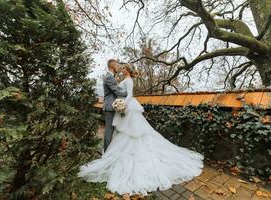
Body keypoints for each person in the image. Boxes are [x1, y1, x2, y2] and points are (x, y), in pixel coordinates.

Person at [78, 64, 204, 196]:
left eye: (124, 68)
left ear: (128, 70)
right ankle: (116, 153)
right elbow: (118, 92)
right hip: (124, 109)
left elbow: (130, 94)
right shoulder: (123, 79)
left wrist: (124, 104)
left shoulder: (129, 81)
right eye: (121, 68)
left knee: (132, 133)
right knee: (123, 133)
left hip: (128, 108)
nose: (122, 69)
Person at [102, 59, 127, 152]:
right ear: (112, 66)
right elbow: (116, 91)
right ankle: (106, 152)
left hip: (110, 106)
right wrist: (128, 93)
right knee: (109, 130)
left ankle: (109, 150)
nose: (118, 68)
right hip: (109, 106)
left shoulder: (110, 76)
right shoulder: (109, 77)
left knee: (111, 129)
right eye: (117, 66)